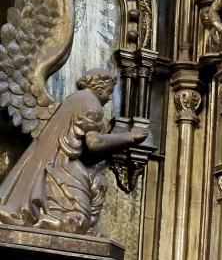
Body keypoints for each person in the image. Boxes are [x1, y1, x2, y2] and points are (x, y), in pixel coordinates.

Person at [0, 69, 147, 234]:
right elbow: (94, 143)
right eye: (109, 92)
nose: (109, 97)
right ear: (99, 88)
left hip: (51, 162)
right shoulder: (91, 102)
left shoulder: (74, 99)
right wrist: (130, 137)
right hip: (60, 165)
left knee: (98, 183)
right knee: (74, 222)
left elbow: (83, 148)